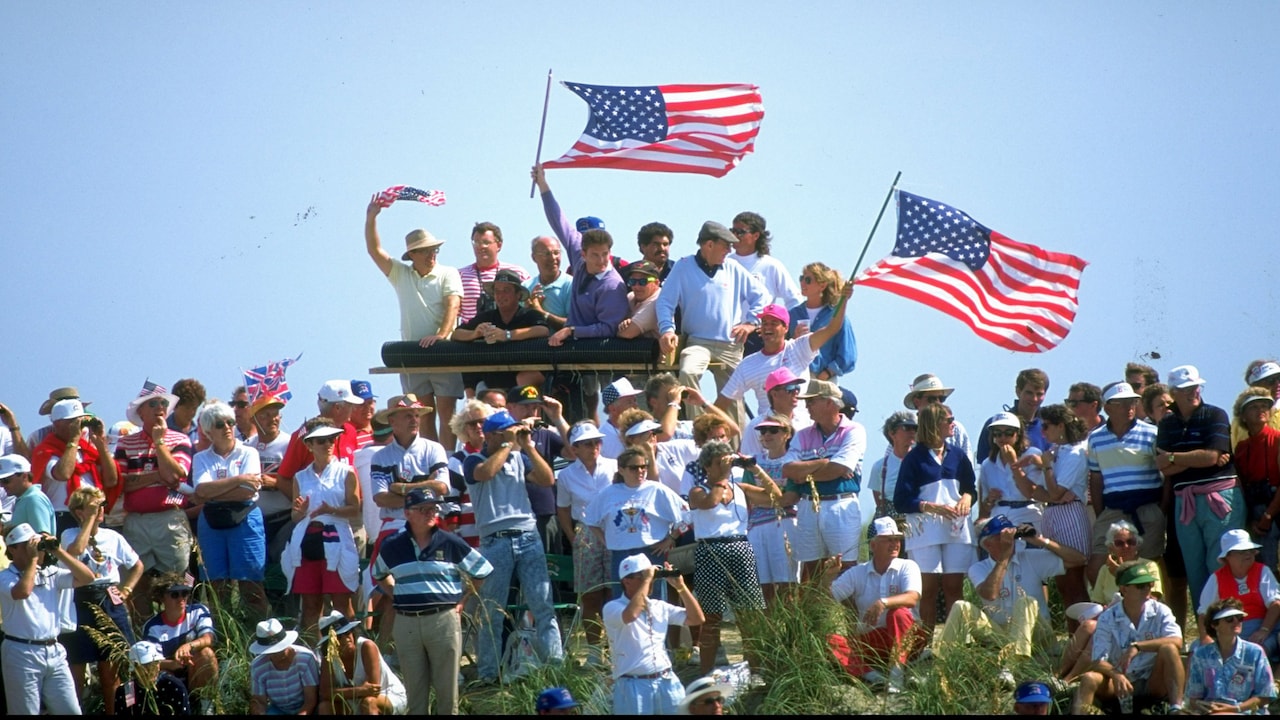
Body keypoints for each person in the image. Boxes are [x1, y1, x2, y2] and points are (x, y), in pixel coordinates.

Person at [464, 409, 564, 684]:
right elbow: (484, 473)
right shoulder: (474, 458)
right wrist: (508, 444)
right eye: (506, 432)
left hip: (528, 535)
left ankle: (555, 665)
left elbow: (547, 480)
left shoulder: (520, 457)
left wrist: (529, 447)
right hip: (495, 540)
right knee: (492, 611)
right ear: (493, 435)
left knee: (543, 605)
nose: (515, 437)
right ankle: (488, 674)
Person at [372, 486, 491, 714]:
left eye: (433, 509)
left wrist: (462, 599)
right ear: (407, 513)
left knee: (448, 694)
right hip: (406, 622)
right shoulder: (392, 545)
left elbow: (482, 571)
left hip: (443, 619)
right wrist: (396, 594)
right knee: (415, 695)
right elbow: (379, 575)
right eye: (423, 509)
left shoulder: (450, 542)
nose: (430, 513)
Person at [366, 203, 465, 448]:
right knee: (422, 413)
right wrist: (371, 217)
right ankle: (434, 461)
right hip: (413, 353)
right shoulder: (401, 274)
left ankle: (449, 461)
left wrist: (441, 336)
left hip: (444, 351)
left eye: (434, 249)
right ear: (412, 255)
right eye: (425, 250)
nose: (432, 254)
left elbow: (453, 305)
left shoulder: (448, 272)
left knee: (446, 409)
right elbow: (374, 250)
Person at [656, 221, 768, 425]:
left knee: (734, 396)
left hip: (731, 346)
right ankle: (699, 431)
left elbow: (762, 296)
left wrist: (751, 323)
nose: (730, 250)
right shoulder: (683, 266)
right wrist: (667, 330)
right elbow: (665, 301)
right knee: (688, 373)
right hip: (698, 342)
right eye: (725, 245)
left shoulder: (733, 267)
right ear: (709, 245)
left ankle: (735, 450)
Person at [938, 515, 1086, 666]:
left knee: (1026, 601)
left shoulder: (1029, 558)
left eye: (1011, 535)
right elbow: (990, 594)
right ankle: (940, 664)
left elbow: (1078, 559)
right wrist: (1004, 558)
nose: (1010, 540)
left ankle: (1011, 666)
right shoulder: (978, 568)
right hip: (999, 634)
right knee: (960, 606)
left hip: (1037, 632)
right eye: (1002, 537)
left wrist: (1040, 541)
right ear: (988, 544)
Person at [686, 440, 777, 676]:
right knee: (711, 617)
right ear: (707, 466)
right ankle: (706, 674)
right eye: (718, 463)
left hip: (740, 548)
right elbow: (710, 502)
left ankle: (754, 671)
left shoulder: (740, 489)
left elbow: (776, 496)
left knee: (750, 615)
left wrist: (753, 468)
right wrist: (722, 477)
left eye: (726, 462)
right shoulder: (698, 491)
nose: (726, 466)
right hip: (711, 551)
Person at [1156, 365, 1243, 609]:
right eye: (1186, 388)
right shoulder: (1167, 423)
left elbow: (1211, 457)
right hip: (1185, 500)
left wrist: (1175, 457)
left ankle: (1228, 627)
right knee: (1194, 568)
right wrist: (1198, 457)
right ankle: (1206, 631)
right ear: (1173, 393)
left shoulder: (1216, 414)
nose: (1194, 391)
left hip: (1220, 495)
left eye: (1196, 386)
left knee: (1221, 564)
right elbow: (1164, 467)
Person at [714, 279, 853, 420]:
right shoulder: (748, 364)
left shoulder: (799, 348)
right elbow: (723, 402)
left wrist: (844, 300)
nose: (768, 327)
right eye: (765, 323)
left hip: (800, 430)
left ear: (785, 328)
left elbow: (832, 329)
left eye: (774, 323)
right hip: (767, 432)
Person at [893, 402, 976, 634]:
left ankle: (957, 641)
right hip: (924, 529)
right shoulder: (914, 458)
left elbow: (971, 487)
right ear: (934, 424)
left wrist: (967, 498)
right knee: (927, 588)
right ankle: (924, 642)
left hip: (956, 528)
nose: (953, 424)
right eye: (948, 420)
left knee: (953, 585)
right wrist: (930, 507)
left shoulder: (957, 455)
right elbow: (901, 499)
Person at [59, 486, 144, 714]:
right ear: (79, 512)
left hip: (109, 597)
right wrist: (89, 520)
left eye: (102, 506)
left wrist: (126, 589)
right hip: (80, 599)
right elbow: (75, 551)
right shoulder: (68, 534)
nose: (101, 511)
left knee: (112, 672)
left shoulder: (113, 537)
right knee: (75, 671)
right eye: (94, 507)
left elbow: (137, 565)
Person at [115, 381, 195, 617]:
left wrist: (159, 443)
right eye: (153, 403)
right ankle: (145, 634)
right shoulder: (125, 442)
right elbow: (122, 484)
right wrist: (159, 475)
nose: (160, 407)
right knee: (137, 580)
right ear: (141, 412)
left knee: (178, 580)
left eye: (163, 403)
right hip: (136, 522)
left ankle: (179, 628)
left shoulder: (180, 439)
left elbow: (177, 475)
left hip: (170, 519)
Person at [0, 522, 96, 714]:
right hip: (21, 652)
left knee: (71, 711)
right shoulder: (5, 576)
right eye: (27, 545)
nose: (36, 550)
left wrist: (58, 551)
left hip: (54, 651)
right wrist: (34, 560)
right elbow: (23, 591)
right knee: (25, 712)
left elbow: (87, 578)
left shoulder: (51, 574)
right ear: (12, 548)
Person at [281, 419, 361, 641]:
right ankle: (315, 656)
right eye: (321, 440)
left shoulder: (346, 472)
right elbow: (295, 516)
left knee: (341, 601)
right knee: (310, 604)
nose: (328, 444)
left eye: (331, 439)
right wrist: (300, 511)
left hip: (337, 539)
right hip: (307, 540)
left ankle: (351, 652)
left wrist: (332, 510)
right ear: (309, 445)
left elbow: (355, 509)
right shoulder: (300, 476)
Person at [190, 399, 268, 619]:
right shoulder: (201, 458)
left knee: (251, 584)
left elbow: (247, 492)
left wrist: (212, 492)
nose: (226, 428)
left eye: (230, 422)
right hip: (212, 522)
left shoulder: (249, 453)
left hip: (245, 517)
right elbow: (201, 490)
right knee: (217, 585)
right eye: (219, 424)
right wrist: (240, 479)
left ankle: (259, 635)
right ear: (207, 431)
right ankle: (225, 638)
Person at [1072, 562, 1185, 714]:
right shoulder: (1108, 617)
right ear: (1124, 589)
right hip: (1118, 683)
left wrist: (1138, 646)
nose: (1147, 590)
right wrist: (1116, 675)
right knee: (1089, 679)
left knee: (1169, 649)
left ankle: (1176, 708)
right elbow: (1097, 660)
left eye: (1149, 585)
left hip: (1152, 679)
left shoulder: (1161, 610)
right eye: (1140, 586)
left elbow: (1177, 641)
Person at [782, 379, 867, 579]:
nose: (806, 405)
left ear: (830, 403)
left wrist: (804, 475)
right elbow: (787, 469)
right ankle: (812, 611)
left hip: (841, 504)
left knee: (846, 568)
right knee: (810, 570)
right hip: (808, 506)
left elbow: (839, 468)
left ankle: (848, 612)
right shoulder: (802, 434)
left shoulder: (854, 430)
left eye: (812, 401)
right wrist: (824, 462)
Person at [1084, 382, 1165, 589]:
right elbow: (1096, 478)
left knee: (1148, 568)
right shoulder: (1095, 438)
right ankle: (1114, 608)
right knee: (1096, 567)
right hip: (1113, 509)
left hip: (1147, 508)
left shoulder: (1152, 433)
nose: (1129, 407)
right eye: (1122, 403)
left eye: (1132, 402)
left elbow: (1166, 473)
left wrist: (1160, 510)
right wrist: (1102, 513)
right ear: (1108, 408)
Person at [827, 517, 922, 689]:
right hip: (873, 641)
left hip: (909, 639)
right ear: (873, 545)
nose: (895, 544)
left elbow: (912, 597)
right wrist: (828, 575)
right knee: (831, 640)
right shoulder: (858, 572)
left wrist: (883, 602)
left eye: (897, 539)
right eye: (888, 540)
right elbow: (827, 597)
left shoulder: (908, 566)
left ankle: (896, 673)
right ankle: (873, 677)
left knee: (898, 613)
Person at [604, 553, 705, 715]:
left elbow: (696, 618)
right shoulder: (612, 608)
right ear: (626, 581)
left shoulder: (659, 606)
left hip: (666, 680)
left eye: (652, 577)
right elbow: (630, 615)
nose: (651, 581)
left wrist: (681, 587)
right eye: (643, 577)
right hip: (633, 685)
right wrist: (647, 578)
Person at [584, 445, 690, 593]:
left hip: (651, 552)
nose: (640, 471)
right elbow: (590, 520)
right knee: (622, 599)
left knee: (655, 598)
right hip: (621, 553)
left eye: (643, 467)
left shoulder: (657, 490)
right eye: (634, 468)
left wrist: (671, 539)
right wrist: (606, 541)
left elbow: (687, 517)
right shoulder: (608, 493)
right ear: (621, 470)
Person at [554, 421, 616, 665]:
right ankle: (593, 651)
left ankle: (615, 647)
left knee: (614, 593)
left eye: (597, 442)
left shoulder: (613, 466)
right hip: (586, 533)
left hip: (613, 530)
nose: (594, 447)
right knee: (590, 595)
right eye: (588, 443)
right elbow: (563, 509)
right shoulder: (567, 475)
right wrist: (573, 536)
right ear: (576, 448)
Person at [1031, 403, 1092, 628]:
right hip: (1053, 512)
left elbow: (1057, 491)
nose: (1042, 432)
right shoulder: (1057, 451)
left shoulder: (1075, 452)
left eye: (1046, 426)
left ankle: (1083, 638)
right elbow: (1051, 493)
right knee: (1062, 581)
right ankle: (1073, 638)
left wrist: (1046, 467)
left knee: (1074, 579)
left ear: (1061, 426)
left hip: (1070, 513)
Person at [29, 397, 117, 537]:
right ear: (57, 424)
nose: (79, 425)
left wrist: (101, 444)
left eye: (81, 421)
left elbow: (112, 480)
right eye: (73, 421)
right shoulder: (45, 450)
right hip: (63, 515)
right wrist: (74, 440)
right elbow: (63, 474)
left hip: (93, 514)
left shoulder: (89, 449)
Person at [452, 268, 550, 390]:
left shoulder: (529, 315)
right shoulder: (486, 317)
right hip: (493, 381)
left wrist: (507, 335)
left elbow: (543, 330)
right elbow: (456, 334)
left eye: (506, 290)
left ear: (518, 294)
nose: (500, 295)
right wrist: (475, 333)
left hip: (523, 380)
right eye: (497, 291)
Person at [1195, 529, 1280, 661]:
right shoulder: (1216, 578)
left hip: (1261, 628)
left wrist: (1264, 630)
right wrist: (1205, 637)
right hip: (1227, 629)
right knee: (1196, 653)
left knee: (1254, 654)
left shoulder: (1263, 571)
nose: (1248, 554)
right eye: (1241, 551)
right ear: (1228, 557)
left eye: (1250, 550)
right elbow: (1204, 614)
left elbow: (1275, 604)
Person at [1184, 597, 1276, 714]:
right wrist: (1207, 709)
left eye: (1239, 618)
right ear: (1214, 625)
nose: (1236, 622)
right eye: (1229, 619)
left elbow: (1265, 695)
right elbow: (1193, 698)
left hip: (1245, 711)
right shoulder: (1200, 655)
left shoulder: (1255, 652)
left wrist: (1235, 709)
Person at [276, 380, 364, 502]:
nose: (353, 409)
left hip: (349, 515)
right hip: (317, 518)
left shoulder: (350, 431)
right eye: (350, 405)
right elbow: (283, 479)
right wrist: (308, 509)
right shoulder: (305, 434)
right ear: (337, 408)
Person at [139, 573, 219, 704]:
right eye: (174, 595)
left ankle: (207, 704)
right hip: (172, 673)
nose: (181, 599)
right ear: (162, 598)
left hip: (195, 668)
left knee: (207, 654)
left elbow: (208, 638)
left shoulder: (197, 611)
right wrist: (174, 664)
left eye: (184, 593)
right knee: (159, 672)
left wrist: (189, 646)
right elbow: (151, 662)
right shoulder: (153, 626)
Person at [748, 414, 801, 606]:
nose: (767, 434)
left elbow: (791, 498)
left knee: (787, 585)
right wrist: (776, 497)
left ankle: (791, 634)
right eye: (763, 431)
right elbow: (746, 493)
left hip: (786, 525)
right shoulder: (753, 461)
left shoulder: (793, 461)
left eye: (773, 430)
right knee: (763, 588)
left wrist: (763, 498)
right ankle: (769, 635)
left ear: (786, 434)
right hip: (756, 527)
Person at [315, 610, 407, 715]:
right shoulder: (328, 657)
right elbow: (325, 693)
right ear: (329, 643)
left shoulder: (366, 647)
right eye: (339, 637)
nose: (346, 638)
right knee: (325, 707)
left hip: (387, 695)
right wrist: (360, 690)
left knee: (368, 702)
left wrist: (342, 692)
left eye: (347, 632)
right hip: (354, 699)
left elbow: (373, 689)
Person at [1233, 387, 1280, 572]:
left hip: (1273, 505)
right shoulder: (1241, 449)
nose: (1261, 409)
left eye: (1264, 406)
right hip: (1258, 511)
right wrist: (1252, 519)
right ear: (1243, 415)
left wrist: (1268, 515)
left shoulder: (1277, 440)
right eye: (1254, 407)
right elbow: (1242, 487)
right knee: (1265, 569)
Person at [788, 262, 857, 382]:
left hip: (823, 379)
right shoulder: (792, 315)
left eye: (808, 280)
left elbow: (848, 354)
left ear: (822, 285)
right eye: (801, 278)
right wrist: (793, 338)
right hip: (795, 377)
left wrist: (827, 373)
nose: (802, 283)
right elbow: (781, 347)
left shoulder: (837, 317)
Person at [976, 412, 1045, 530]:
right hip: (999, 518)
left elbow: (1030, 492)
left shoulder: (1032, 455)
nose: (1002, 438)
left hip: (1028, 514)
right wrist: (990, 500)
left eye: (1008, 433)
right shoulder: (987, 464)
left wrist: (1013, 463)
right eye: (997, 433)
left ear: (1017, 435)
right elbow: (985, 507)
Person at [457, 221, 530, 325]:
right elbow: (453, 311)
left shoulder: (517, 273)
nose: (481, 246)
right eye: (476, 242)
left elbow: (528, 304)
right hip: (472, 335)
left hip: (509, 334)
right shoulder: (460, 275)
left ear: (499, 245)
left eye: (486, 242)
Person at [975, 368, 1052, 461]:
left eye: (1039, 394)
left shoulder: (1050, 426)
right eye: (1029, 393)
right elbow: (984, 463)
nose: (1034, 399)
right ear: (1018, 391)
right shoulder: (995, 424)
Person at [248, 618, 319, 715]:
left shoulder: (305, 659)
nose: (276, 654)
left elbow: (310, 700)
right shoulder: (258, 666)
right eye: (271, 652)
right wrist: (259, 710)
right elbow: (260, 701)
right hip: (278, 710)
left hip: (307, 708)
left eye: (279, 649)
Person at [1090, 519, 1163, 605]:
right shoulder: (1105, 570)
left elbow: (1152, 600)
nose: (1126, 546)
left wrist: (1121, 575)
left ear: (1137, 545)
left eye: (1131, 542)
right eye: (1119, 543)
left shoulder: (1149, 566)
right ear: (1111, 548)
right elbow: (1097, 602)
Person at [902, 373, 973, 459]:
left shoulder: (956, 429)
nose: (938, 403)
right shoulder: (905, 431)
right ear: (917, 402)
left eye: (941, 398)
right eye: (932, 399)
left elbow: (967, 466)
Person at [115, 640, 192, 716]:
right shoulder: (128, 690)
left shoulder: (173, 686)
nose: (151, 669)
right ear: (134, 667)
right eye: (146, 665)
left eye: (155, 663)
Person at [870, 411, 917, 524]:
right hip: (891, 526)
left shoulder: (921, 463)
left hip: (918, 523)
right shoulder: (880, 467)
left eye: (915, 428)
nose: (912, 432)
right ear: (892, 433)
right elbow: (880, 503)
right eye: (906, 428)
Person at [525, 235, 571, 330]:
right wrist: (527, 311)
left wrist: (541, 313)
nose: (553, 258)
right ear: (534, 257)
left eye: (556, 253)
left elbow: (573, 326)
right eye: (546, 254)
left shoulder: (571, 285)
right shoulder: (526, 287)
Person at [1, 454, 54, 536]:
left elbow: (43, 537)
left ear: (24, 476)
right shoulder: (26, 499)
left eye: (6, 480)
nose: (2, 485)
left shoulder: (34, 499)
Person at [617, 261, 663, 340]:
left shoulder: (657, 302)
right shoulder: (631, 296)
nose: (636, 287)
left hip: (655, 351)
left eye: (643, 282)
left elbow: (627, 333)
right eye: (632, 282)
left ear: (656, 283)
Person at [599, 377, 643, 458]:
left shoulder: (644, 427)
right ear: (613, 409)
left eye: (635, 400)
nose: (635, 405)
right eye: (629, 402)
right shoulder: (601, 438)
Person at [167, 378, 206, 449]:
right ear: (175, 406)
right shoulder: (162, 430)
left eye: (194, 408)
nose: (191, 412)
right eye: (187, 408)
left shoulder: (200, 434)